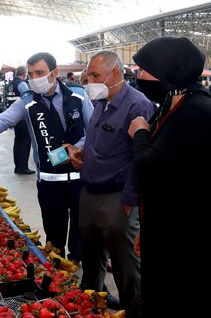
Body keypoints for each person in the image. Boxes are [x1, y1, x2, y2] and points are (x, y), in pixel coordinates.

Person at [127, 36, 211, 317]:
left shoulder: (196, 111)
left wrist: (139, 131)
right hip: (172, 229)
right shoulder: (174, 103)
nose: (138, 76)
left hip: (192, 240)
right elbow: (168, 176)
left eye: (143, 69)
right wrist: (148, 228)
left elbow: (150, 163)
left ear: (168, 70)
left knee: (188, 301)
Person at [0, 52, 93, 264]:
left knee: (81, 231)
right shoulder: (28, 102)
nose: (34, 78)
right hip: (50, 183)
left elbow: (93, 130)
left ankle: (77, 260)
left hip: (81, 179)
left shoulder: (78, 96)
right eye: (31, 73)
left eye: (40, 73)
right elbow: (4, 118)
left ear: (54, 73)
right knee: (54, 235)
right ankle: (58, 265)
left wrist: (76, 148)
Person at [67, 51, 155, 318]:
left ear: (115, 73)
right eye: (87, 76)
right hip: (90, 193)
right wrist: (82, 152)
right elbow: (96, 140)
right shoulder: (102, 102)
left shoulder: (137, 106)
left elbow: (141, 156)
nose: (89, 82)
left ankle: (136, 311)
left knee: (126, 267)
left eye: (95, 76)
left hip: (118, 198)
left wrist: (131, 204)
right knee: (91, 261)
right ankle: (93, 307)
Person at [5, 66, 34, 175]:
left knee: (18, 141)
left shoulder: (11, 84)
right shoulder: (22, 84)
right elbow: (28, 99)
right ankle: (23, 167)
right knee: (25, 141)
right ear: (25, 73)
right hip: (22, 116)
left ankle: (18, 166)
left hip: (14, 116)